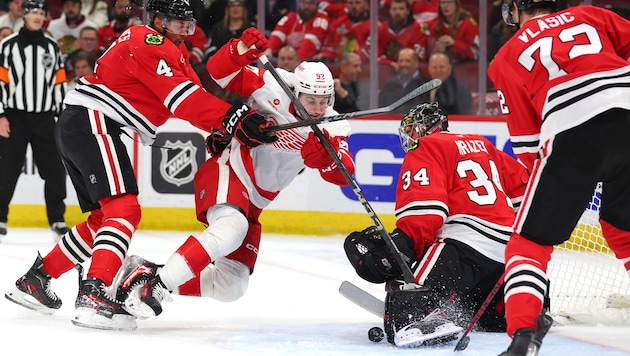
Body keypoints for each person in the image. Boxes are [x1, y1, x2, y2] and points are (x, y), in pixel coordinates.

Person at [4, 0, 276, 331]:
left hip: (86, 122)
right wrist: (233, 119)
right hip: (96, 122)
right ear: (157, 21)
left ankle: (38, 278)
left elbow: (198, 93)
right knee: (125, 210)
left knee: (103, 219)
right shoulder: (147, 41)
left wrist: (236, 66)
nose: (183, 31)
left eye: (187, 25)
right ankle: (94, 293)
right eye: (176, 23)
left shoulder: (170, 50)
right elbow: (182, 98)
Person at [114, 31, 356, 322]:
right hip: (231, 170)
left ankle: (144, 273)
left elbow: (346, 173)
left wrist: (328, 159)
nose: (317, 109)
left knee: (231, 285)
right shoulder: (273, 86)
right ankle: (156, 287)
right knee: (232, 227)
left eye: (323, 101)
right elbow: (218, 73)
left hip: (256, 200)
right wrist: (240, 49)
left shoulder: (335, 126)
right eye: (310, 101)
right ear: (295, 90)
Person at [486, 1, 630, 355]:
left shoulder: (506, 57)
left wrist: (569, 177)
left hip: (570, 133)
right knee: (622, 229)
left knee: (528, 243)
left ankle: (523, 336)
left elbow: (529, 145)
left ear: (516, 9)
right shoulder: (592, 14)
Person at [344, 102, 528, 347]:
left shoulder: (426, 146)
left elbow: (426, 214)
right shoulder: (481, 143)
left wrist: (403, 248)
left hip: (465, 246)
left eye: (413, 130)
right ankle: (507, 306)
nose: (410, 137)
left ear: (427, 128)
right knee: (480, 307)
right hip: (509, 254)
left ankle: (424, 314)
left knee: (406, 304)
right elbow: (523, 189)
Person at [0, 0, 69, 242]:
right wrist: (1, 115)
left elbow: (59, 83)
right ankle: (0, 217)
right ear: (25, 15)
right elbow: (0, 83)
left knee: (55, 171)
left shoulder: (52, 47)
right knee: (6, 169)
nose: (38, 17)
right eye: (34, 13)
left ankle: (57, 219)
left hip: (44, 117)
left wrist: (61, 115)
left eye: (42, 13)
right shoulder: (7, 46)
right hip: (15, 116)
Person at [264, 0, 330, 62]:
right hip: (289, 60)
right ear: (298, 2)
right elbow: (278, 33)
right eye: (304, 2)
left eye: (311, 3)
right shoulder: (291, 17)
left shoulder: (321, 18)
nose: (307, 6)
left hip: (308, 63)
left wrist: (295, 61)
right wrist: (270, 49)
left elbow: (311, 42)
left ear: (317, 5)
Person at [378, 47, 426, 113]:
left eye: (407, 61)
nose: (403, 64)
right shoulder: (389, 85)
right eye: (401, 61)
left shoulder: (425, 84)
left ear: (416, 63)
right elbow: (381, 108)